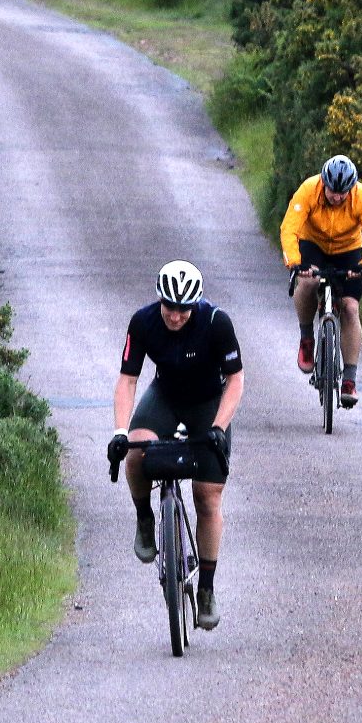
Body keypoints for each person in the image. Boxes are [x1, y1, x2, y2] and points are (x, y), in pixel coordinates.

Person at [107, 260, 244, 630]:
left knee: (207, 497)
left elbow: (235, 380)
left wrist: (219, 427)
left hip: (208, 404)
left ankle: (207, 589)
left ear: (195, 305)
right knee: (136, 451)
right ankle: (145, 518)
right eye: (169, 307)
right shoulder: (143, 322)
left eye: (184, 309)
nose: (176, 316)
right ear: (160, 300)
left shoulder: (217, 323)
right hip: (165, 396)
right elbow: (128, 380)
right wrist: (120, 431)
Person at [279, 153, 362, 409]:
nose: (337, 197)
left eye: (342, 193)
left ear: (351, 189)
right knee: (308, 282)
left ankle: (349, 379)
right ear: (323, 183)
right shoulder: (309, 189)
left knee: (350, 308)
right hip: (314, 245)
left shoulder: (361, 197)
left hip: (348, 251)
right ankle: (307, 338)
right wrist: (295, 263)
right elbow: (289, 229)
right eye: (332, 191)